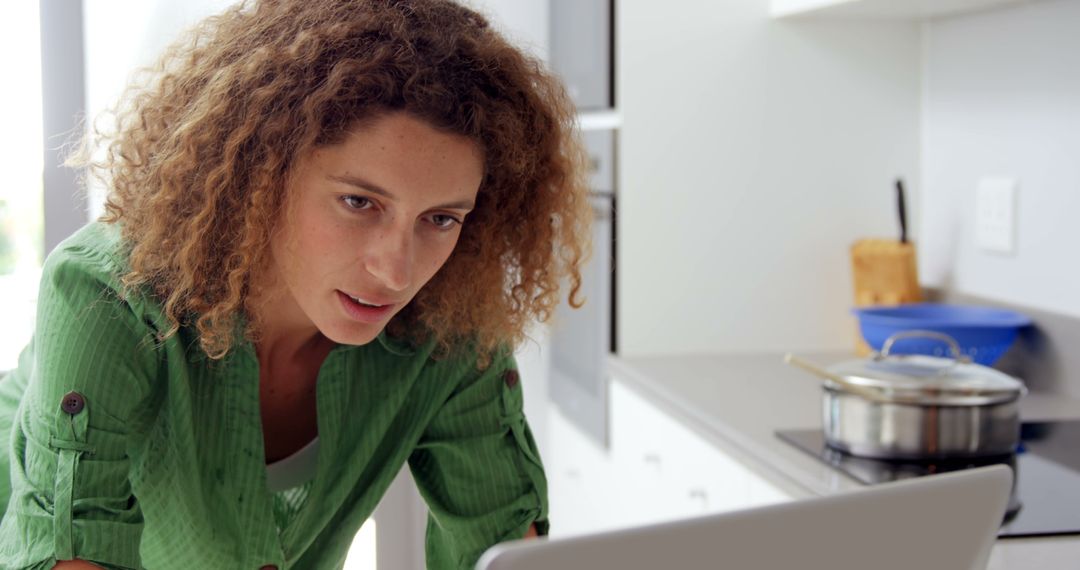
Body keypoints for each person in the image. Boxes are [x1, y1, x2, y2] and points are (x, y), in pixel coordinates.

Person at [0, 0, 591, 568]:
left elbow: (505, 547)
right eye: (359, 202)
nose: (396, 271)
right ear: (265, 172)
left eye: (440, 219)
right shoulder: (109, 295)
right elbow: (69, 550)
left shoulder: (447, 327)